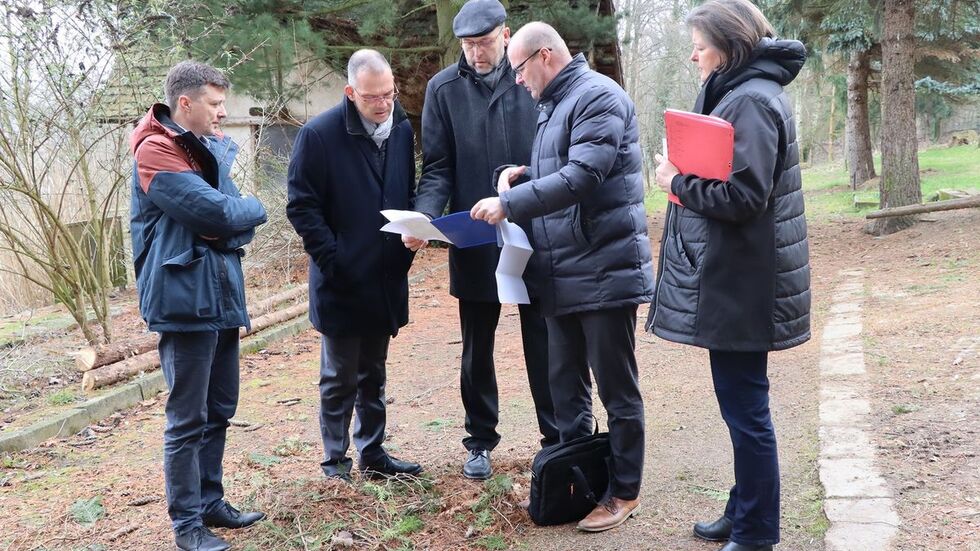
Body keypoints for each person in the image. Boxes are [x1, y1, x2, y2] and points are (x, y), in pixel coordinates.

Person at [471, 22, 654, 532]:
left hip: (604, 268)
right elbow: (559, 166)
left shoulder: (599, 96)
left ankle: (623, 490)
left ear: (544, 56)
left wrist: (508, 203)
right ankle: (579, 481)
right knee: (565, 386)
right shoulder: (555, 103)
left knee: (616, 388)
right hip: (561, 270)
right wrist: (521, 175)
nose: (519, 82)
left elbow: (584, 175)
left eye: (520, 70)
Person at [645, 1, 811, 550]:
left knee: (747, 412)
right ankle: (743, 511)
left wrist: (676, 179)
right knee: (741, 406)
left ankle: (758, 532)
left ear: (730, 44)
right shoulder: (743, 94)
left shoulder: (753, 102)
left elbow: (744, 197)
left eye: (699, 44)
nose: (693, 54)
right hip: (741, 277)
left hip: (746, 285)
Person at [405, 0, 559, 480]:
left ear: (507, 34)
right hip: (473, 235)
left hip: (536, 229)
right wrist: (424, 217)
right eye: (468, 45)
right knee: (476, 345)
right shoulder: (443, 90)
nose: (477, 53)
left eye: (485, 43)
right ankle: (479, 440)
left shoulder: (533, 78)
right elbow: (438, 168)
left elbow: (557, 153)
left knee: (546, 338)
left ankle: (556, 437)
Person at [130, 60, 268, 551]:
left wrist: (236, 216)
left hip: (220, 293)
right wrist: (236, 214)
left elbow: (234, 220)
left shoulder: (204, 149)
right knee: (187, 418)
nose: (222, 112)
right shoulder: (156, 152)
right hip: (183, 298)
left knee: (220, 408)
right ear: (184, 103)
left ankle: (211, 502)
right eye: (214, 103)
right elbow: (215, 211)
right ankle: (187, 525)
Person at [286, 49, 422, 483]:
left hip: (386, 274)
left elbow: (407, 188)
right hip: (341, 279)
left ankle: (373, 452)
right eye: (372, 98)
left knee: (374, 374)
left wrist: (413, 230)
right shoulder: (319, 135)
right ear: (350, 92)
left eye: (389, 94)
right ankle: (334, 463)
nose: (383, 104)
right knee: (339, 377)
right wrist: (334, 258)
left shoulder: (400, 128)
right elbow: (301, 207)